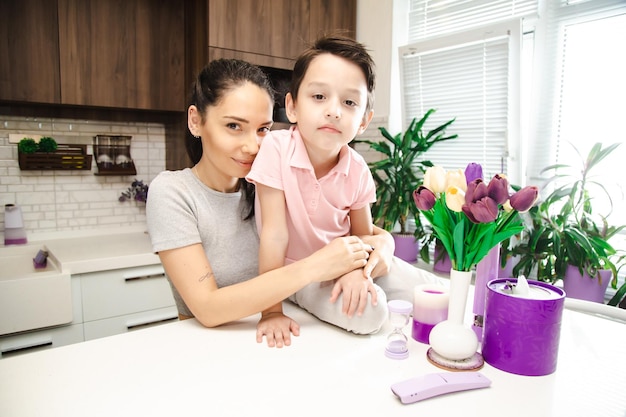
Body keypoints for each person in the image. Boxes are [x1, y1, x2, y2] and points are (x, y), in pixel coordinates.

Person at [145, 58, 398, 348]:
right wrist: (315, 267)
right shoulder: (173, 192)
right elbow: (207, 308)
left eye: (263, 129)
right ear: (196, 120)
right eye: (233, 126)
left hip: (285, 338)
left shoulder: (265, 184)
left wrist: (386, 243)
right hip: (211, 346)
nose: (253, 146)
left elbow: (361, 232)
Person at [246, 36, 415, 337]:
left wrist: (356, 274)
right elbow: (273, 234)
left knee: (431, 290)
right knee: (370, 313)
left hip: (346, 263)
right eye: (319, 97)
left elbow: (362, 236)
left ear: (364, 121)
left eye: (349, 102)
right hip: (301, 275)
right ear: (292, 107)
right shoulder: (276, 147)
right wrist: (271, 311)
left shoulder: (358, 169)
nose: (334, 111)